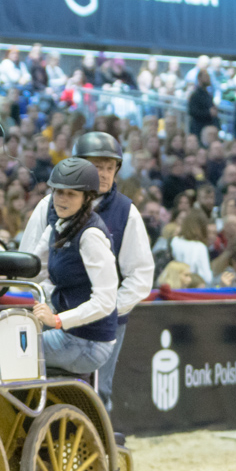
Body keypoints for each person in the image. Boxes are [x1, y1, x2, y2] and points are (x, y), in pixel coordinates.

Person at [18, 131, 151, 409]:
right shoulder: (50, 206)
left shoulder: (127, 212)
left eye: (109, 167)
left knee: (98, 393)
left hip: (102, 322)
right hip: (57, 316)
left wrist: (104, 311)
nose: (103, 173)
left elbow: (140, 277)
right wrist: (51, 307)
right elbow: (31, 263)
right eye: (96, 166)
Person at [20, 158, 119, 376]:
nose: (62, 199)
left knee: (9, 351)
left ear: (87, 198)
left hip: (89, 342)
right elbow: (33, 270)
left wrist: (57, 320)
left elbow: (106, 301)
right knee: (7, 340)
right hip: (70, 334)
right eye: (58, 192)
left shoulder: (90, 235)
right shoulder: (59, 224)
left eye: (71, 194)